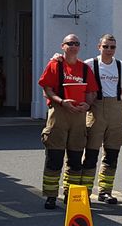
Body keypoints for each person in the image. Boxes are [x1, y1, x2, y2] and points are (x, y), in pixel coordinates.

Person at [38, 34, 97, 210]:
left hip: (79, 116)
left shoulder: (85, 69)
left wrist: (88, 104)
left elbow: (92, 91)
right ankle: (50, 196)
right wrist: (61, 101)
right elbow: (47, 89)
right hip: (58, 114)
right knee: (54, 158)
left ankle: (70, 195)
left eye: (76, 43)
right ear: (62, 46)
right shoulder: (55, 65)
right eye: (70, 43)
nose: (73, 46)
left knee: (75, 158)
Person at [83, 34, 122, 204]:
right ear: (99, 47)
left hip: (116, 110)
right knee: (91, 154)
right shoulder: (90, 64)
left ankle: (105, 191)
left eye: (112, 47)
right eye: (106, 46)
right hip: (96, 110)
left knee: (112, 154)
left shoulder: (120, 65)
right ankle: (85, 190)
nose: (109, 50)